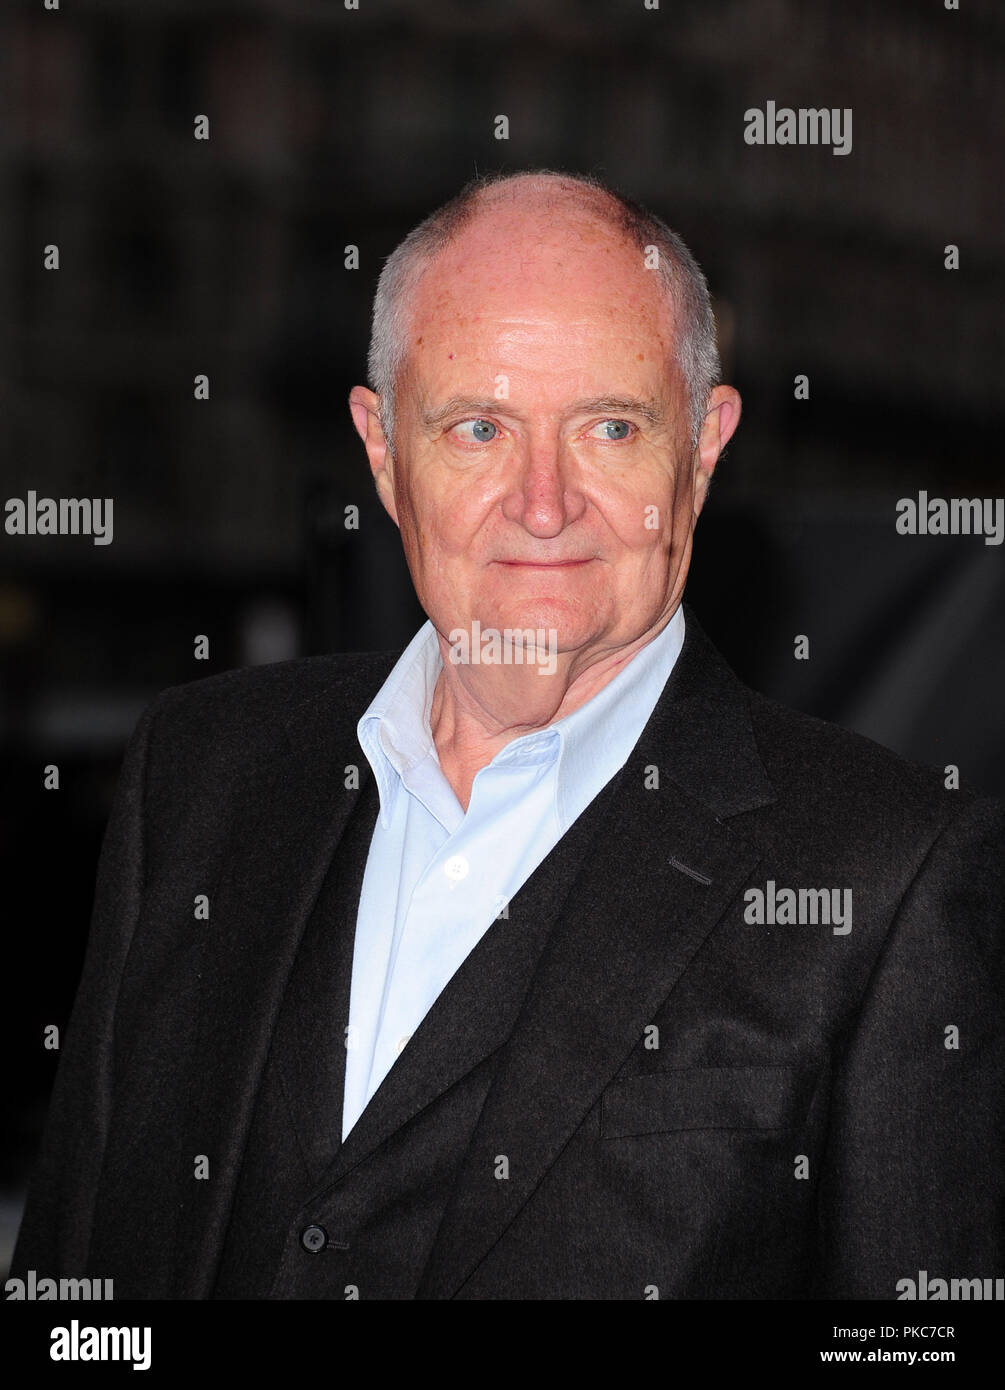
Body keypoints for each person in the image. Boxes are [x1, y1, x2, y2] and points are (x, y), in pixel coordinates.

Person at [12, 169, 1004, 1300]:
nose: (544, 503)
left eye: (611, 426)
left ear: (704, 449)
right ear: (384, 452)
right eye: (479, 427)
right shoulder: (197, 770)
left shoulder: (892, 877)